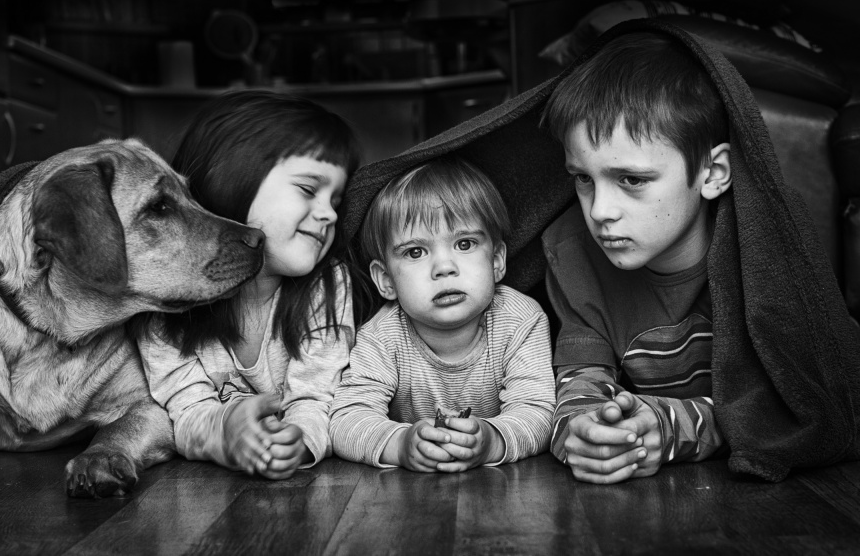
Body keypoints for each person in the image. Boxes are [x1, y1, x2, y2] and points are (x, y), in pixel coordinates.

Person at [539, 31, 735, 484]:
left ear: (712, 173)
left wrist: (670, 428)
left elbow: (787, 405)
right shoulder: (573, 254)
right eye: (583, 179)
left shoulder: (756, 255)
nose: (599, 212)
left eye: (631, 179)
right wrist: (588, 433)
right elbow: (581, 382)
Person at [138, 90, 360, 480]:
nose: (328, 214)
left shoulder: (328, 283)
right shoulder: (163, 298)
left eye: (335, 202)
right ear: (231, 178)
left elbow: (317, 397)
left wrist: (296, 441)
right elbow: (186, 408)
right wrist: (226, 432)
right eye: (308, 190)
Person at [330, 156, 556, 472]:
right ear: (386, 280)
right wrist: (400, 445)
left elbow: (538, 412)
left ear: (496, 261)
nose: (444, 267)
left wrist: (492, 442)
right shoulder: (381, 335)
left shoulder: (521, 320)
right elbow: (347, 418)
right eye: (415, 252)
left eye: (464, 244)